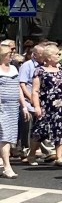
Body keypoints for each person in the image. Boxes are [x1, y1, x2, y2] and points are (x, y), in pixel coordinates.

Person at [30, 44, 62, 167]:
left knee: (60, 129)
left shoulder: (61, 69)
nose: (59, 56)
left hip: (59, 105)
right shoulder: (40, 70)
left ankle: (59, 157)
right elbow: (35, 90)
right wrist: (36, 106)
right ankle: (31, 154)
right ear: (48, 57)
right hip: (45, 105)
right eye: (56, 54)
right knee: (41, 130)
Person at [0, 43, 25, 178]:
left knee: (8, 136)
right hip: (1, 106)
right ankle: (7, 166)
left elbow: (18, 88)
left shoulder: (14, 69)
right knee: (4, 135)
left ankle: (6, 164)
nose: (11, 56)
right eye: (9, 54)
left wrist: (24, 106)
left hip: (12, 107)